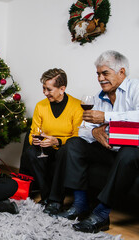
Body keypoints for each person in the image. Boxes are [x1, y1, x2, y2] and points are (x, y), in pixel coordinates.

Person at [56, 50, 139, 233]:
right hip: (109, 150)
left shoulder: (135, 88)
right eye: (98, 74)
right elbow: (83, 129)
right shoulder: (99, 96)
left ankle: (101, 215)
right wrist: (94, 132)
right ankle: (80, 205)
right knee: (74, 144)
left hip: (131, 153)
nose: (100, 78)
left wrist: (106, 117)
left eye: (105, 73)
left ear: (121, 72)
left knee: (129, 151)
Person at [25, 68, 83, 215]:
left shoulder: (77, 106)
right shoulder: (41, 106)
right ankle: (46, 197)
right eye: (43, 88)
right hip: (46, 146)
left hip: (64, 147)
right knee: (31, 151)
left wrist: (57, 141)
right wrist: (37, 140)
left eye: (49, 89)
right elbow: (33, 133)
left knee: (65, 151)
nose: (45, 93)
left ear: (62, 88)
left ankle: (56, 201)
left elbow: (78, 137)